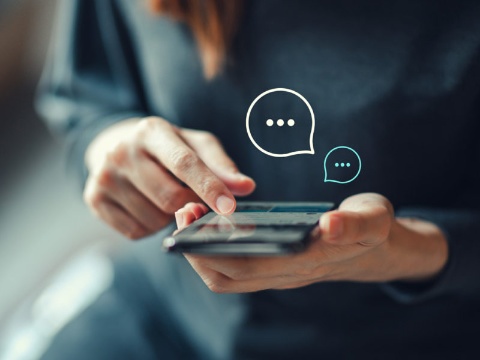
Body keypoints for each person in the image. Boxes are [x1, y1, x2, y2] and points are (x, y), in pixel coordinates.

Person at [38, 0, 480, 358]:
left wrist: (408, 250)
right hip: (164, 311)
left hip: (404, 339)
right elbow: (83, 96)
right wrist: (108, 147)